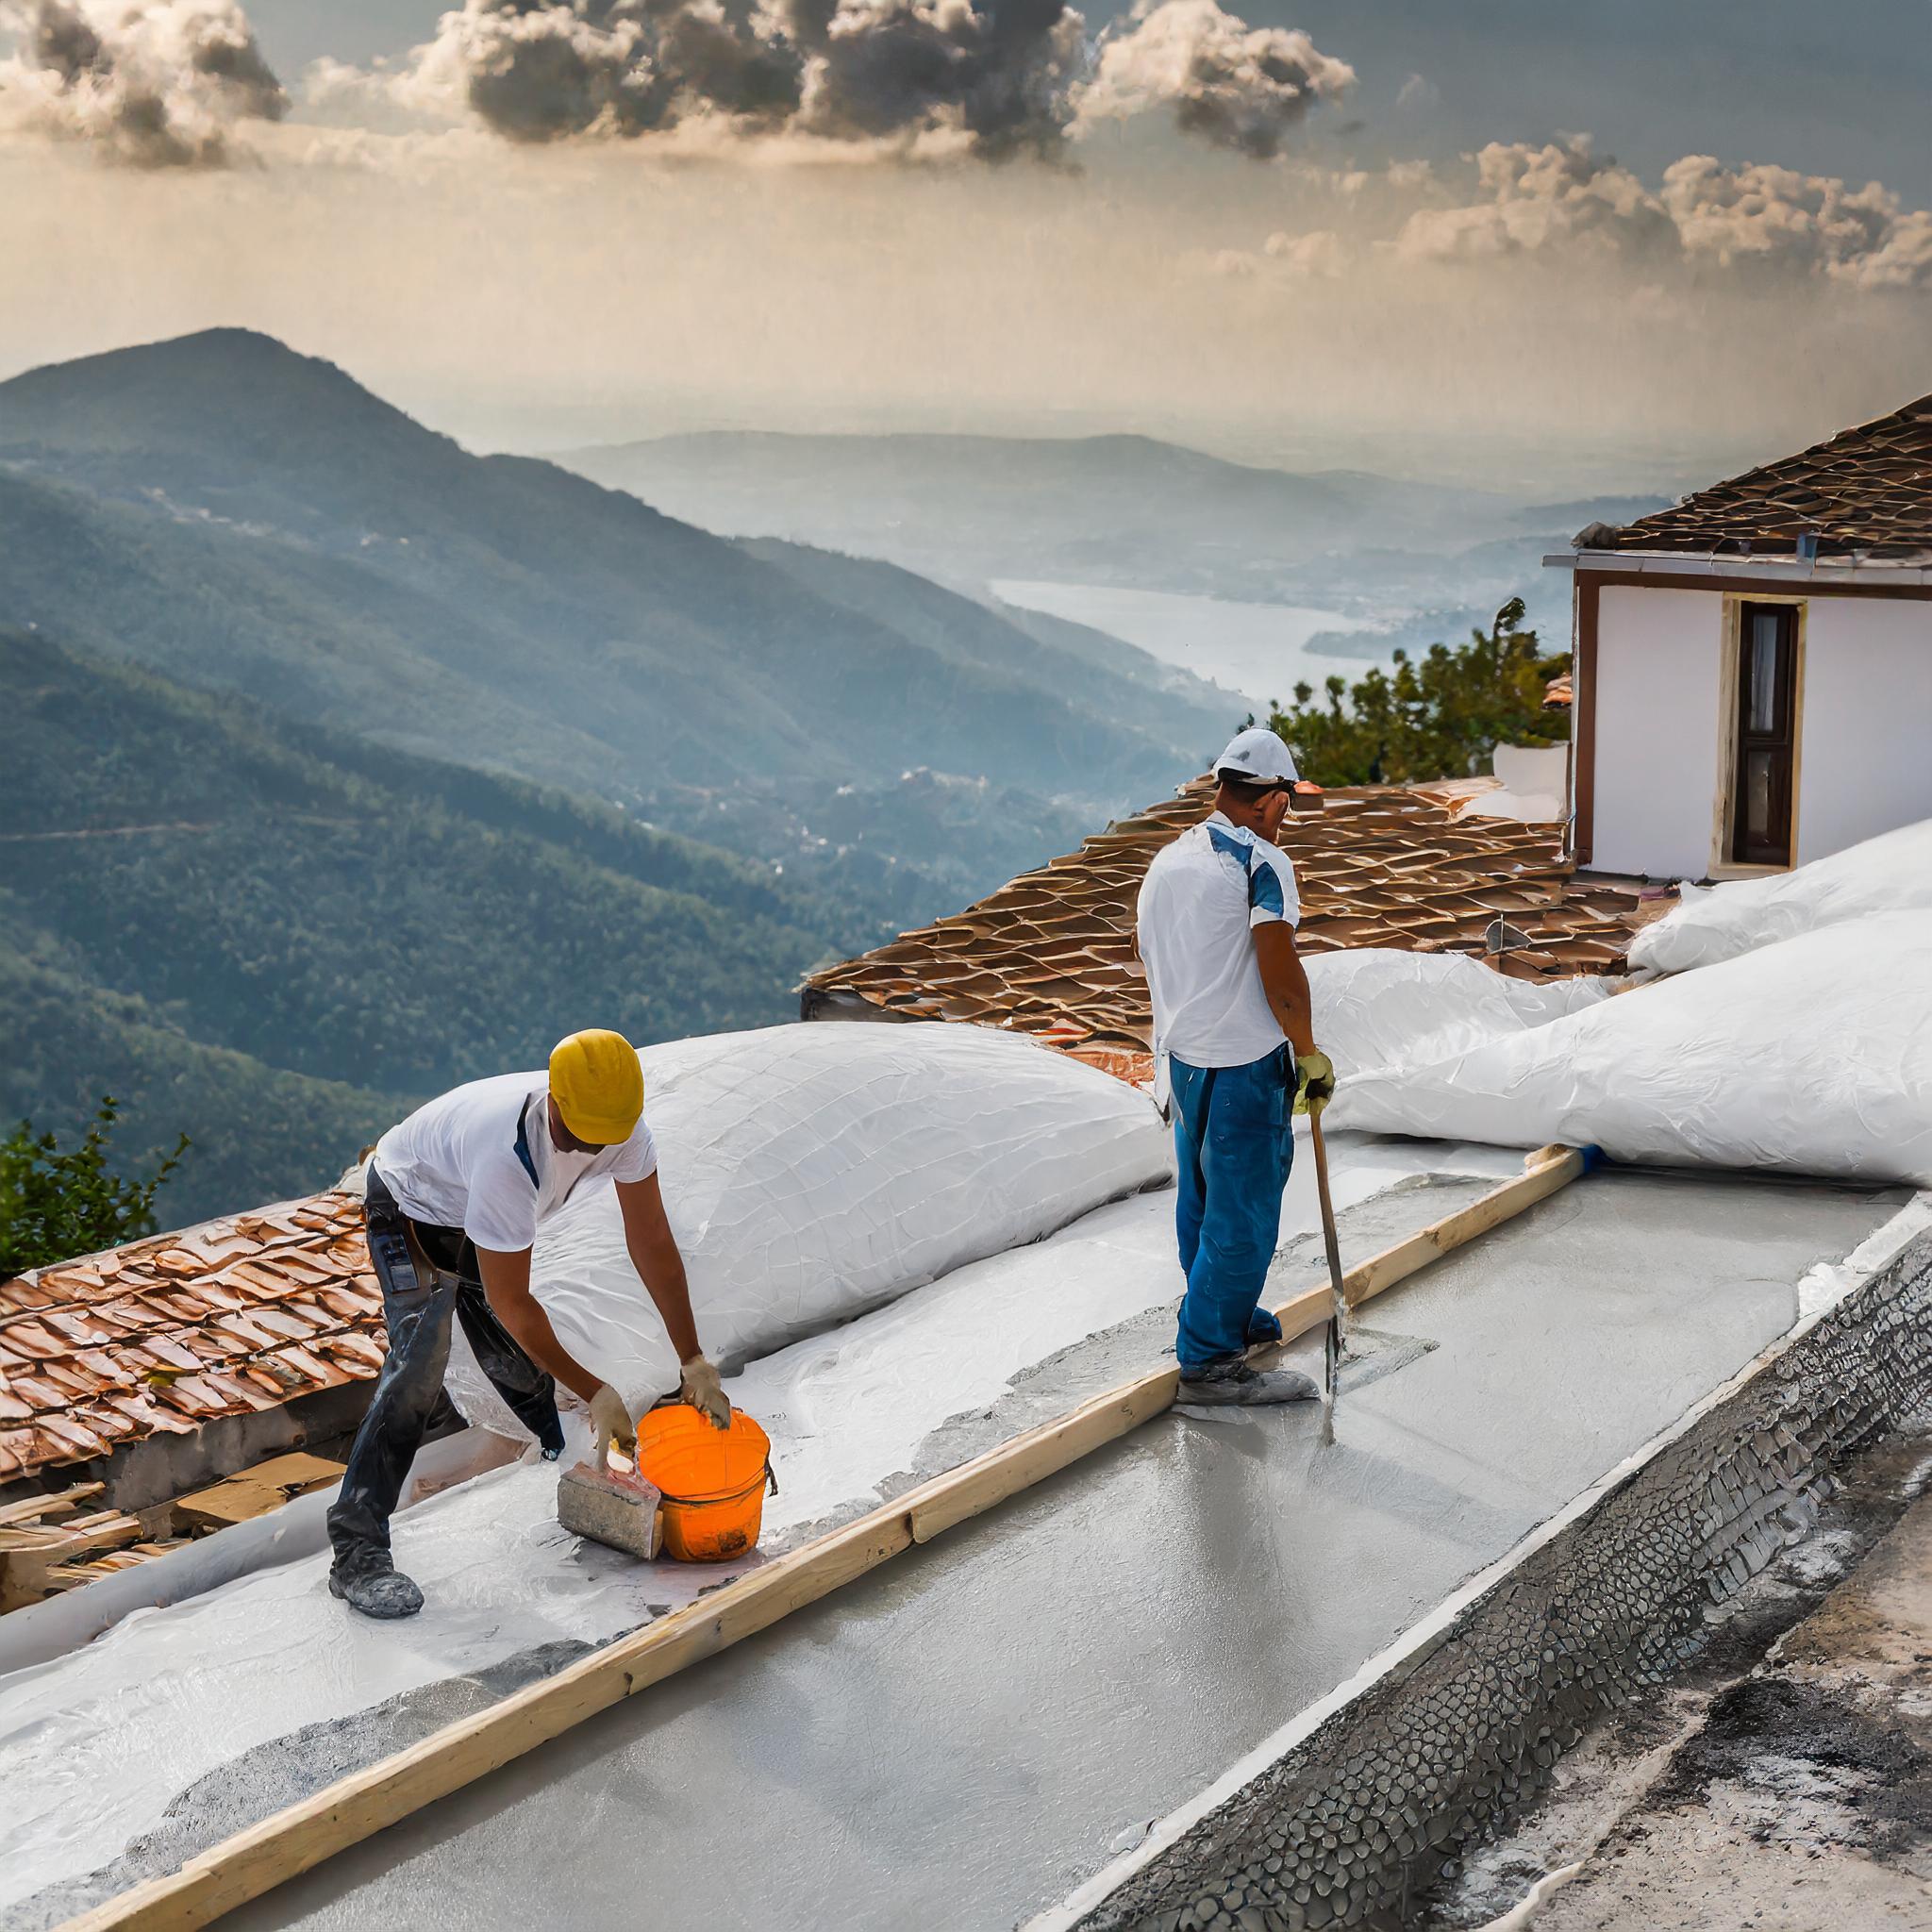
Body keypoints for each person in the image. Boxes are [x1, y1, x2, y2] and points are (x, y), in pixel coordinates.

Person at [326, 1028, 728, 1619]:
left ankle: (560, 1467)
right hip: (411, 1203)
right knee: (418, 1361)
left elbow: (651, 1241)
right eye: (579, 1135)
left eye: (604, 1139)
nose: (592, 1149)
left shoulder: (620, 1127)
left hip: (470, 1204)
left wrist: (692, 1358)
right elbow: (513, 1300)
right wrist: (597, 1392)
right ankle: (356, 1550)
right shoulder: (508, 1155)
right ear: (556, 1100)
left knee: (518, 1371)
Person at [1136, 727, 1338, 1406]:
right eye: (1288, 805)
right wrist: (1307, 1052)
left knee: (1202, 1201)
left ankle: (1225, 1309)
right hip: (1244, 1064)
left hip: (1185, 1063)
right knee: (1244, 1214)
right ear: (1273, 802)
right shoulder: (1260, 864)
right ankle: (1211, 1361)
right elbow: (1280, 974)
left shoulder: (1168, 862)